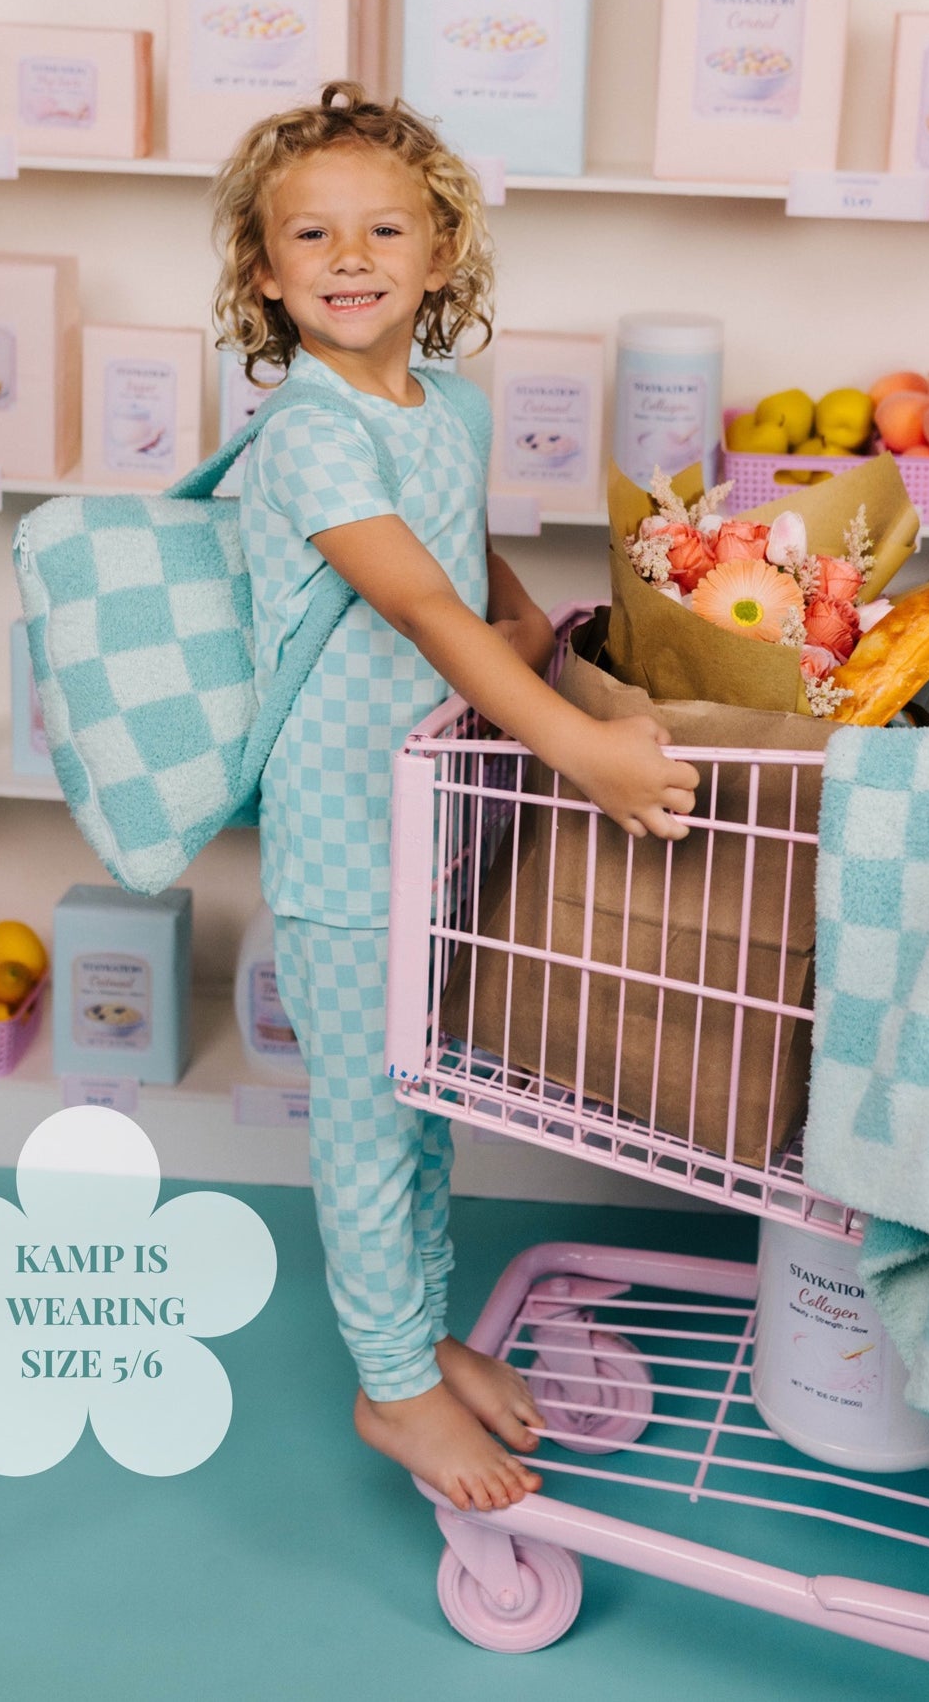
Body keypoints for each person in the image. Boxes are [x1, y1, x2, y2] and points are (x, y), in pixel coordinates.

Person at [212, 82, 698, 1514]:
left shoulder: (446, 406)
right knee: (367, 1113)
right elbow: (421, 606)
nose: (350, 255)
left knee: (423, 1094)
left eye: (385, 227)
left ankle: (419, 1337)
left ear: (440, 257)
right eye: (312, 233)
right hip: (346, 829)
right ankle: (390, 1389)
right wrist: (577, 747)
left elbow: (466, 564)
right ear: (263, 268)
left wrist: (566, 656)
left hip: (438, 813)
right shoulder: (304, 432)